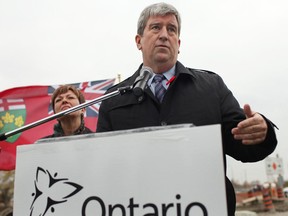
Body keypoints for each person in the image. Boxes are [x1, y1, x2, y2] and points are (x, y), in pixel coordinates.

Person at [96, 3, 277, 215]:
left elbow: (245, 146)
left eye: (171, 29)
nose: (164, 35)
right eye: (156, 27)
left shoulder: (212, 87)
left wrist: (261, 132)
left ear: (178, 43)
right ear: (138, 41)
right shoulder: (114, 99)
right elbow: (104, 170)